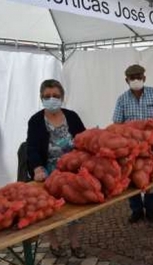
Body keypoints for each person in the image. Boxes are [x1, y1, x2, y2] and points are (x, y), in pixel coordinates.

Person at [26, 79, 86, 258]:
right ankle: (54, 243)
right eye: (47, 96)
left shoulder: (72, 116)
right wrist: (37, 168)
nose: (51, 99)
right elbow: (32, 148)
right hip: (47, 173)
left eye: (56, 96)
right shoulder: (36, 120)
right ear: (41, 98)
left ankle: (75, 244)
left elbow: (83, 139)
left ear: (62, 97)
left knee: (76, 209)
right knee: (48, 209)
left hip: (72, 171)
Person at [113, 64, 153, 224]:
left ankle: (152, 210)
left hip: (152, 145)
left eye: (139, 77)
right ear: (127, 80)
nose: (136, 80)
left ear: (144, 78)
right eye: (133, 78)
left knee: (152, 177)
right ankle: (136, 210)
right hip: (131, 148)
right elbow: (117, 124)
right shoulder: (122, 99)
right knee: (132, 178)